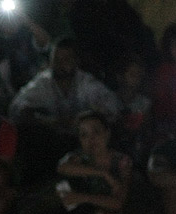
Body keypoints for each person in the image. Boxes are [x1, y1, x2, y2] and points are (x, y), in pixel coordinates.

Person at [8, 37, 119, 182]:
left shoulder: (85, 82)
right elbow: (17, 107)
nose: (60, 64)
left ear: (76, 61)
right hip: (52, 140)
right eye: (56, 59)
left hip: (82, 140)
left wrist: (82, 119)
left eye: (66, 59)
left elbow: (112, 107)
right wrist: (48, 121)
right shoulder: (43, 82)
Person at [55, 111, 132, 214]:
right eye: (84, 135)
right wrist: (102, 173)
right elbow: (62, 167)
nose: (91, 139)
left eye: (96, 132)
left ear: (107, 133)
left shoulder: (121, 161)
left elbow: (117, 203)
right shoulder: (77, 159)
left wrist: (82, 197)